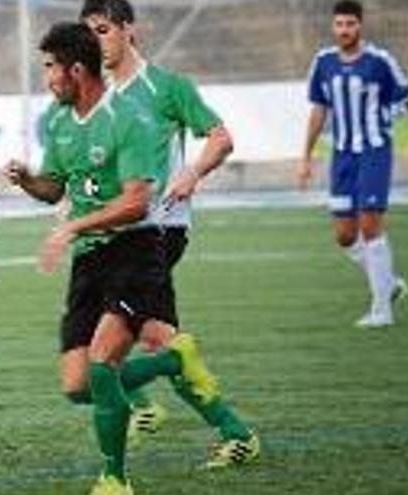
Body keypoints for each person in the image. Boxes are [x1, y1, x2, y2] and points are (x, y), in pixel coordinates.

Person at [5, 22, 253, 495]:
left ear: (75, 70)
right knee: (78, 385)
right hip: (90, 260)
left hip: (136, 250)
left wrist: (72, 225)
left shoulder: (129, 118)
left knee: (103, 363)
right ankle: (174, 364)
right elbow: (55, 187)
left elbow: (138, 202)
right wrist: (27, 181)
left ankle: (114, 479)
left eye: (50, 68)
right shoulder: (58, 122)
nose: (47, 78)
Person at [77, 0, 256, 454]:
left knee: (92, 360)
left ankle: (141, 410)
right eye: (88, 34)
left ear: (127, 30)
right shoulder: (97, 95)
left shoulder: (167, 87)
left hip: (157, 233)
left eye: (101, 30)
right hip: (117, 236)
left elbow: (221, 137)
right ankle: (236, 434)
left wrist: (193, 173)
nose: (94, 42)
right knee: (158, 339)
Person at [298, 0, 408, 327]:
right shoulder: (323, 62)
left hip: (375, 152)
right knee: (345, 236)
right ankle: (388, 284)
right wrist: (306, 156)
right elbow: (318, 112)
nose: (344, 30)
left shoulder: (380, 61)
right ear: (333, 27)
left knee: (370, 227)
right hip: (342, 156)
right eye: (340, 24)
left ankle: (382, 310)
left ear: (360, 26)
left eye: (350, 24)